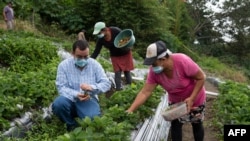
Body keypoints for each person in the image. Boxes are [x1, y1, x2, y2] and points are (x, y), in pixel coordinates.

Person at [126, 40, 206, 141]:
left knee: (196, 123)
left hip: (195, 98)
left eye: (154, 64)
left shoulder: (182, 61)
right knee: (176, 124)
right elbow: (145, 92)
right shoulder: (154, 72)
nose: (152, 67)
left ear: (163, 59)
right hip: (176, 101)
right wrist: (131, 109)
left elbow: (201, 77)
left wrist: (192, 98)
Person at [52, 40, 111, 131]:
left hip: (89, 98)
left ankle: (82, 117)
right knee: (59, 104)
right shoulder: (64, 66)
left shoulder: (94, 64)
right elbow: (61, 86)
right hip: (69, 98)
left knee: (92, 119)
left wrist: (92, 87)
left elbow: (106, 83)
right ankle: (71, 125)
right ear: (72, 53)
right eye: (79, 57)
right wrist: (76, 94)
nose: (83, 60)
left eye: (86, 57)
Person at [91, 21, 134, 91]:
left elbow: (126, 37)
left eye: (99, 33)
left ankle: (131, 89)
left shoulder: (115, 30)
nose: (99, 35)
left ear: (105, 30)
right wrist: (90, 60)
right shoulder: (101, 39)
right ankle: (118, 90)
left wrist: (129, 45)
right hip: (115, 55)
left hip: (125, 52)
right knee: (117, 72)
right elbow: (96, 51)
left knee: (127, 71)